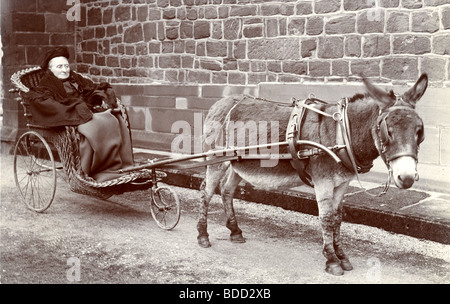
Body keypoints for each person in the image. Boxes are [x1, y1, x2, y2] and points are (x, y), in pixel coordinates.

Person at [24, 46, 134, 182]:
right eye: (59, 67)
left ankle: (120, 164)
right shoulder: (46, 85)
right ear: (50, 69)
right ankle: (97, 169)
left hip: (85, 113)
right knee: (99, 124)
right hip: (72, 117)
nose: (65, 70)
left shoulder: (75, 79)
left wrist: (101, 96)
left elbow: (90, 89)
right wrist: (77, 109)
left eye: (66, 66)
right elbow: (49, 105)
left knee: (115, 118)